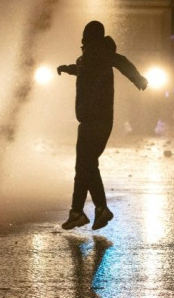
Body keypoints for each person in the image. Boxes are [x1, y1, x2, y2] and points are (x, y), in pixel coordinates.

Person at [57, 20, 148, 230]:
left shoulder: (101, 53)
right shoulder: (88, 57)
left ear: (92, 36)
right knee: (84, 167)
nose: (83, 37)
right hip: (88, 120)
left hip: (98, 120)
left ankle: (97, 209)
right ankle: (78, 212)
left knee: (86, 165)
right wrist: (68, 68)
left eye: (87, 34)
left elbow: (121, 61)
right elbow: (84, 70)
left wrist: (138, 79)